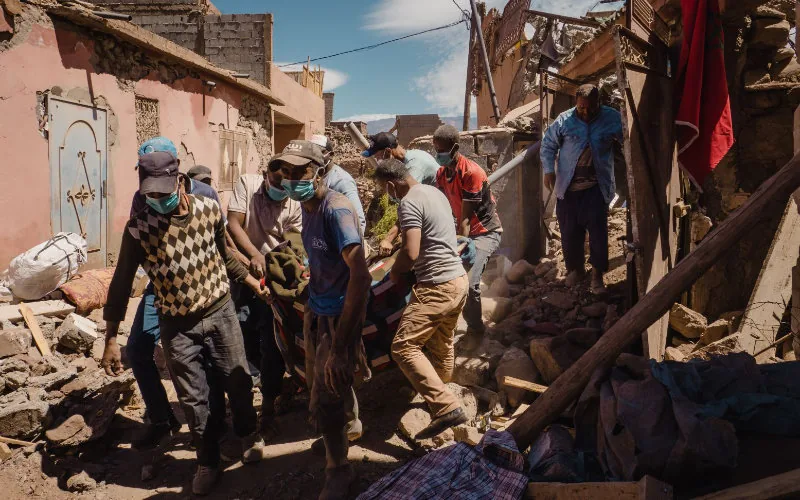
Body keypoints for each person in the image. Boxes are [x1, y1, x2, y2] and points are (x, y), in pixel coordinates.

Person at [102, 151, 268, 496]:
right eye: (150, 194)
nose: (157, 200)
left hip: (220, 311)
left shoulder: (208, 210)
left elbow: (224, 256)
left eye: (163, 192)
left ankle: (248, 434)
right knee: (194, 399)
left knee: (237, 379)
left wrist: (253, 285)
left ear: (180, 181)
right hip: (177, 325)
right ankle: (207, 461)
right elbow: (120, 283)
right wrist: (111, 337)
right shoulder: (139, 229)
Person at [271, 140, 371, 500]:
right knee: (324, 384)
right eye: (286, 172)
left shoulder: (336, 210)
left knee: (329, 392)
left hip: (338, 317)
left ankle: (339, 470)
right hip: (319, 309)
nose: (291, 178)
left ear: (321, 172)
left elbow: (361, 276)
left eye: (300, 172)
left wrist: (342, 346)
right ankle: (345, 431)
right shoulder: (307, 209)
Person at [125, 138, 229, 452]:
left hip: (204, 292)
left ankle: (216, 423)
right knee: (137, 349)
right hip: (162, 290)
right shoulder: (140, 199)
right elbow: (139, 246)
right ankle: (162, 420)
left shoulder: (206, 195)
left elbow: (220, 247)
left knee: (207, 358)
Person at [374, 159, 469, 439]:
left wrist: (394, 272)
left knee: (403, 347)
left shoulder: (408, 203)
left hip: (436, 285)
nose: (386, 194)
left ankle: (445, 406)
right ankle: (443, 388)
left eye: (384, 189)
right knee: (441, 342)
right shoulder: (433, 192)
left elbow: (411, 251)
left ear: (392, 184)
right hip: (457, 280)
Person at [227, 166, 302, 439]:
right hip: (243, 270)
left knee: (272, 339)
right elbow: (234, 223)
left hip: (274, 279)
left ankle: (268, 404)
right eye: (276, 185)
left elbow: (293, 243)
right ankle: (251, 387)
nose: (280, 192)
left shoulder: (294, 200)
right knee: (242, 328)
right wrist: (252, 256)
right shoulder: (247, 184)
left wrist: (271, 266)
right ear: (265, 175)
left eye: (285, 188)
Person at [540, 84, 623, 295]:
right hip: (567, 189)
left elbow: (628, 141)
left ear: (598, 104)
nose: (585, 112)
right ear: (576, 104)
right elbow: (548, 145)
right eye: (581, 108)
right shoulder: (564, 120)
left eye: (590, 108)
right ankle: (575, 270)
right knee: (569, 233)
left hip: (595, 188)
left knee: (597, 232)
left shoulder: (611, 118)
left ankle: (597, 276)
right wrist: (548, 170)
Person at [433, 124, 503, 349]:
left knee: (469, 283)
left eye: (441, 150)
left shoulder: (471, 173)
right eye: (436, 150)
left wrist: (457, 247)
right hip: (464, 231)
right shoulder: (442, 173)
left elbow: (464, 219)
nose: (438, 155)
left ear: (454, 148)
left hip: (485, 233)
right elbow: (443, 209)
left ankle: (476, 330)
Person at [362, 132, 441, 256]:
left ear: (388, 151)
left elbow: (409, 207)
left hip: (436, 221)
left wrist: (388, 239)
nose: (378, 161)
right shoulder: (407, 160)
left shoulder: (414, 168)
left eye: (378, 157)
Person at [310, 134, 367, 235]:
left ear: (330, 155)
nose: (312, 156)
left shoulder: (341, 181)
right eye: (310, 152)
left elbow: (358, 220)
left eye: (317, 152)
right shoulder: (314, 175)